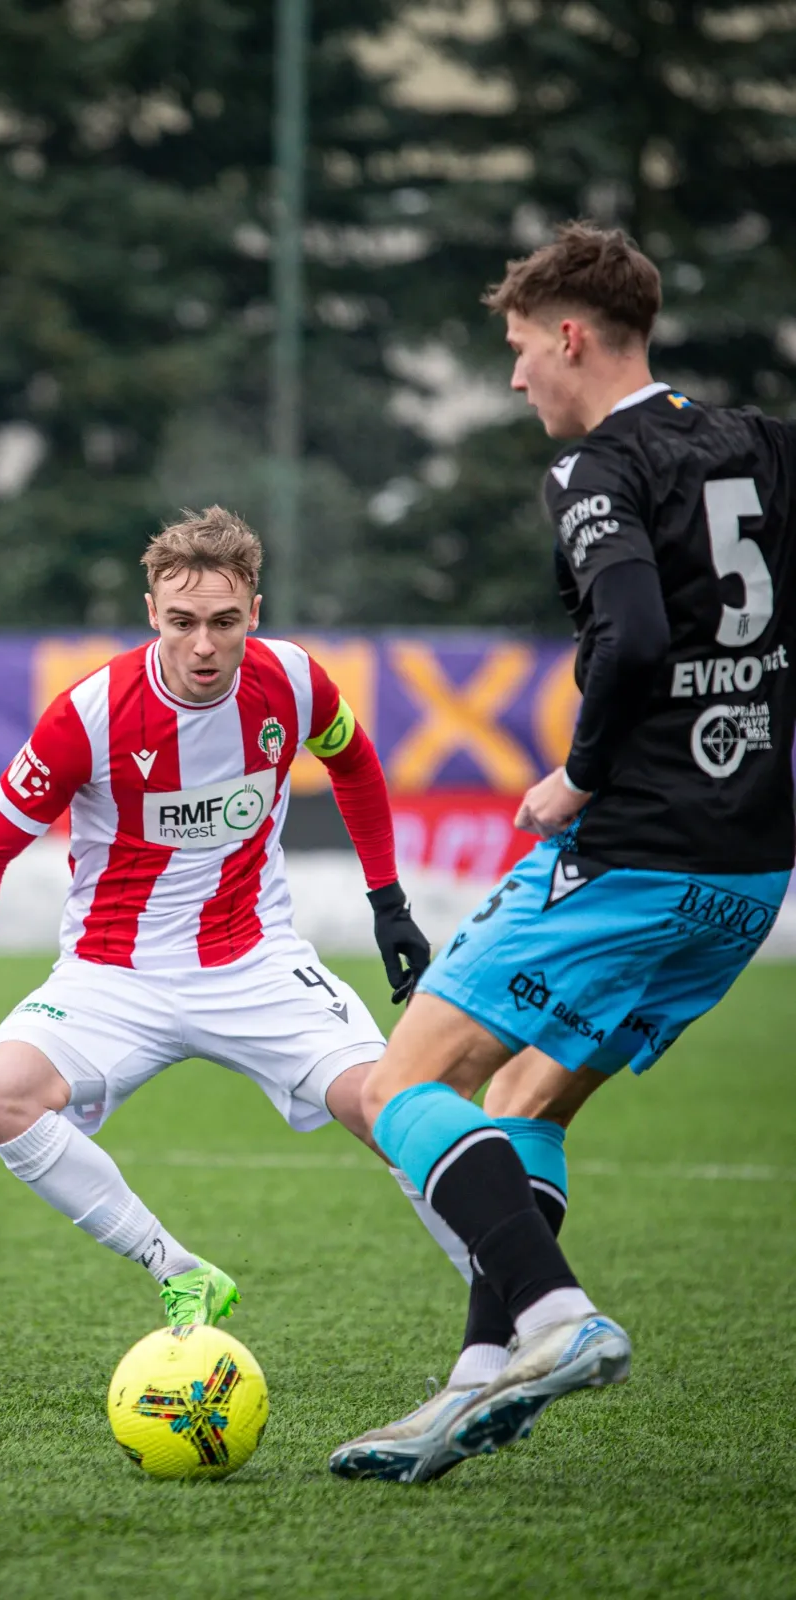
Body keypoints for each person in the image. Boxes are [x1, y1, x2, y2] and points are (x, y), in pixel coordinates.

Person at [330, 221, 796, 1483]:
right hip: (749, 872)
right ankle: (480, 1374)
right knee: (524, 1098)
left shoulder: (597, 469)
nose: (516, 373)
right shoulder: (761, 444)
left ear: (573, 336)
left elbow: (634, 635)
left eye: (522, 346)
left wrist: (577, 776)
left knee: (393, 1088)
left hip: (634, 851)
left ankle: (556, 1316)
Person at [0, 507, 439, 1329]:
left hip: (256, 961)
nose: (203, 645)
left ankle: (516, 1312)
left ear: (254, 613)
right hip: (113, 974)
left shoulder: (294, 680)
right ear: (151, 612)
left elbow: (355, 762)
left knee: (392, 1110)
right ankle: (178, 1269)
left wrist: (388, 903)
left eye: (224, 622)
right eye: (182, 621)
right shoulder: (88, 715)